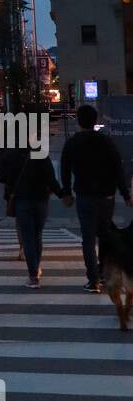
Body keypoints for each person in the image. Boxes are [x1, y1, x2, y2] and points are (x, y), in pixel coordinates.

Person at [60, 104, 131, 292]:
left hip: (85, 196)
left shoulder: (72, 143)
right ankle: (105, 273)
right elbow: (118, 168)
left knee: (88, 239)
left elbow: (65, 169)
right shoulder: (106, 142)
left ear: (78, 120)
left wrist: (66, 192)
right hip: (107, 196)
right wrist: (125, 194)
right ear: (96, 121)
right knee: (106, 236)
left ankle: (93, 280)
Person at [0, 133, 64, 288]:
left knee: (27, 237)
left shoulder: (11, 155)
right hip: (41, 198)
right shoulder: (40, 153)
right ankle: (36, 266)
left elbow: (2, 177)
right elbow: (51, 178)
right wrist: (62, 194)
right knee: (37, 235)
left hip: (21, 199)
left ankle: (33, 275)